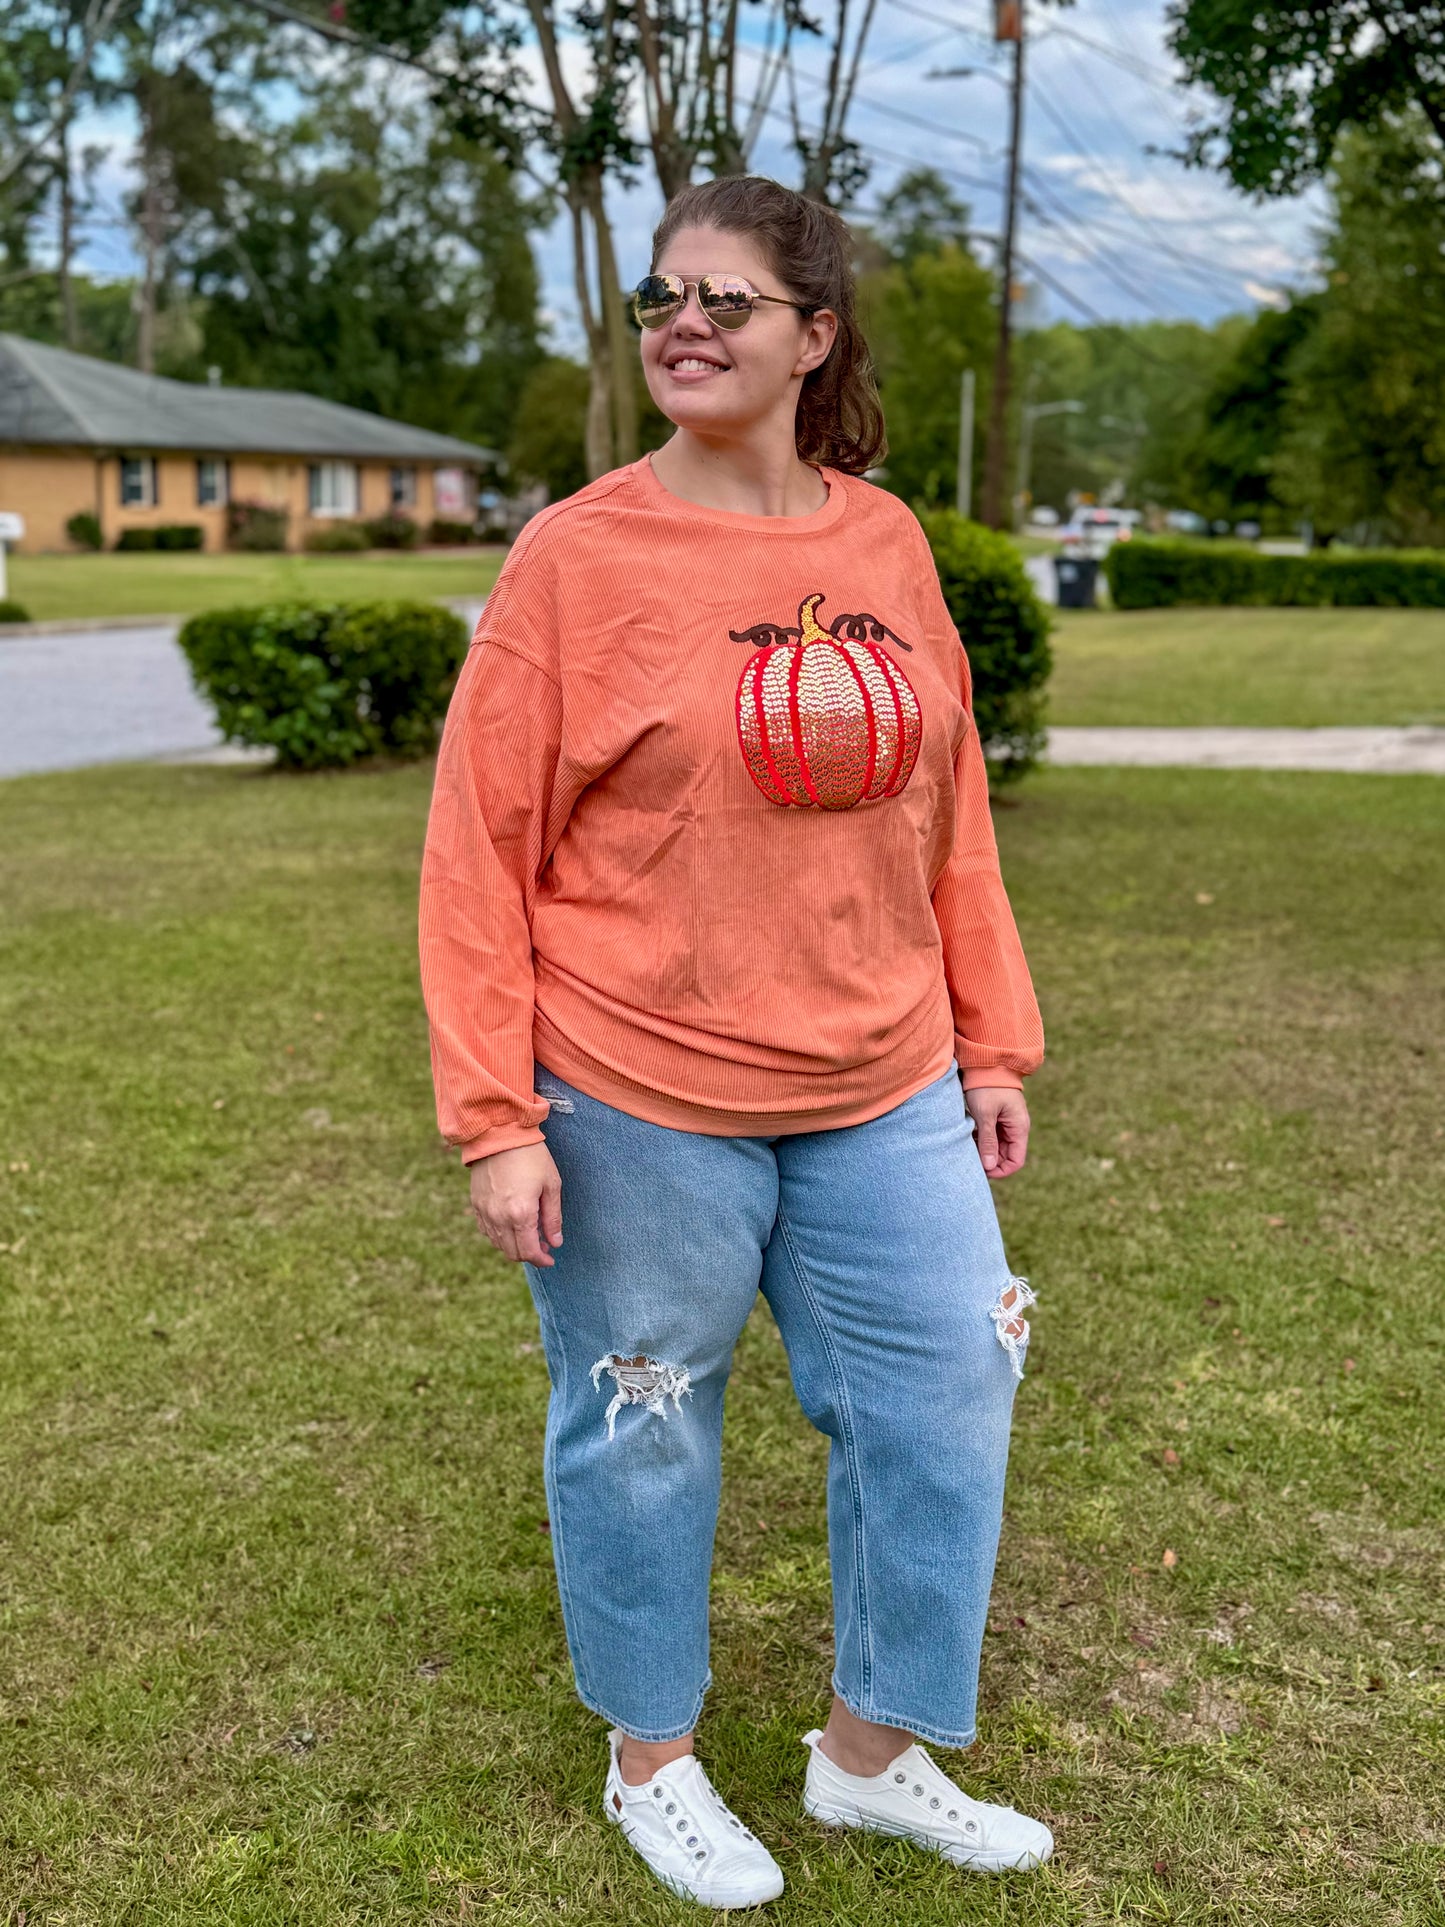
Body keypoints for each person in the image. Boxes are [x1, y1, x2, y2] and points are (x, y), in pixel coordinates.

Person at [418, 174, 1052, 1910]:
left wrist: (989, 1039)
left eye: (727, 300)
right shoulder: (577, 555)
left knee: (946, 1388)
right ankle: (654, 1762)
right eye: (658, 298)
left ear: (812, 335)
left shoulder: (884, 541)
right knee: (643, 1419)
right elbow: (478, 842)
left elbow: (950, 807)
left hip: (884, 1075)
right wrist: (494, 1113)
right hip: (635, 1087)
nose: (681, 324)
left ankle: (867, 1755)